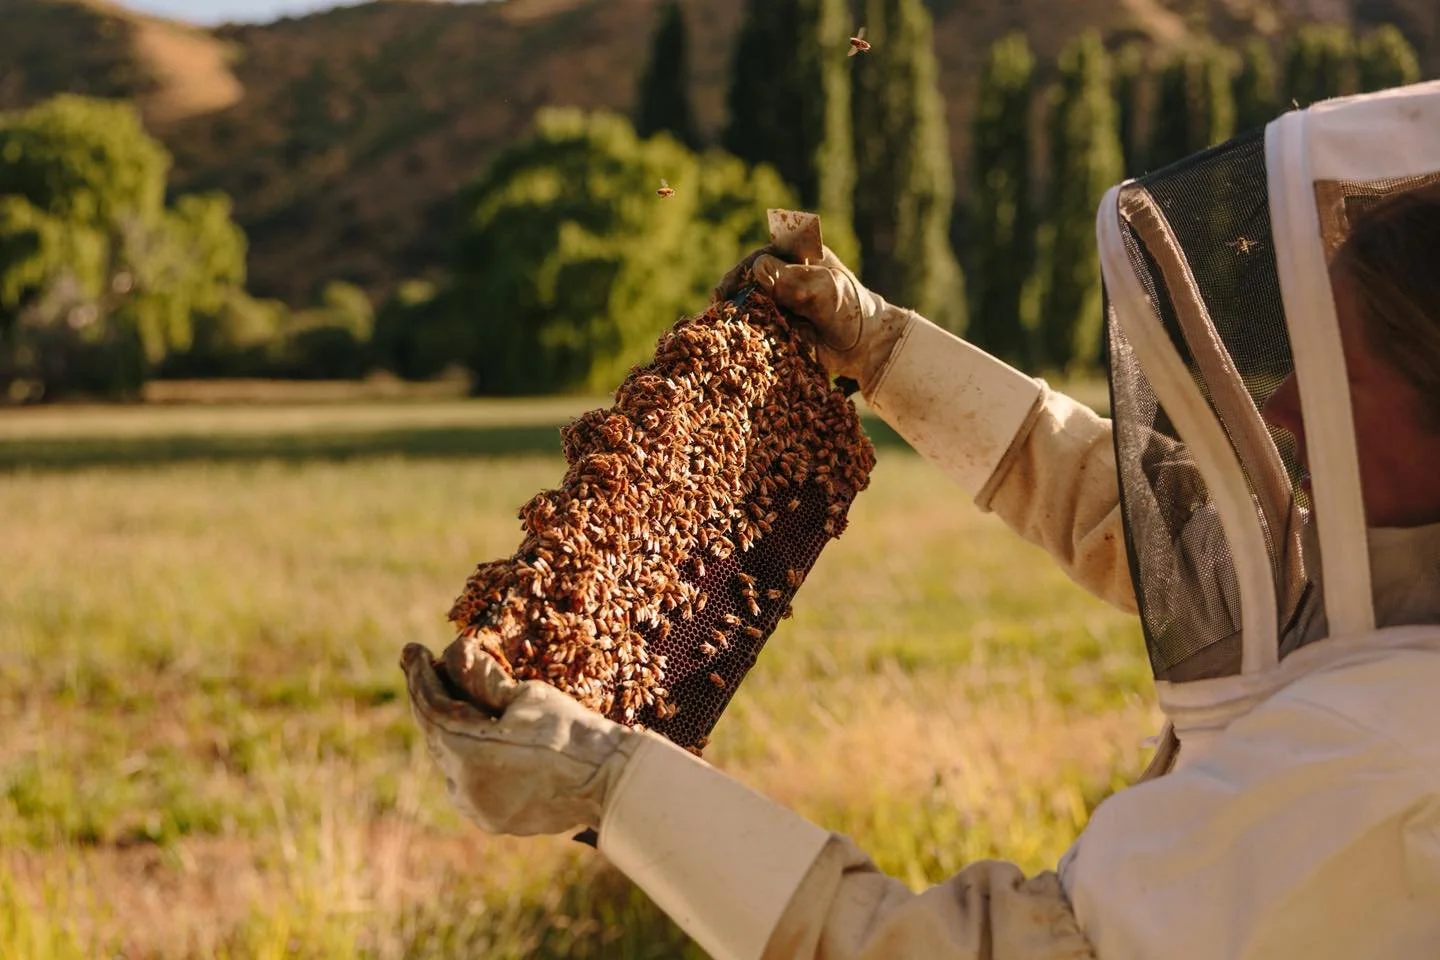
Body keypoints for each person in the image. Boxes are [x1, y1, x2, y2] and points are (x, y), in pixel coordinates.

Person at [402, 82, 1440, 958]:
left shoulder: (1392, 765)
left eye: (1339, 375)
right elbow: (1176, 539)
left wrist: (615, 789)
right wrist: (891, 352)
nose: (1281, 410)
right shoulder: (1398, 591)